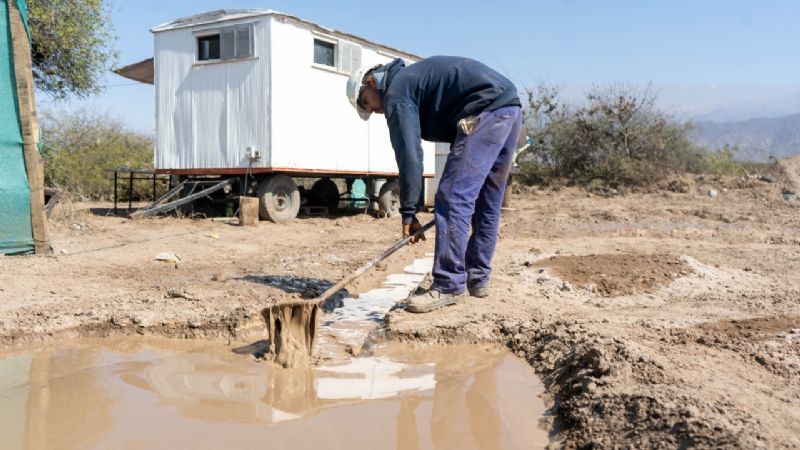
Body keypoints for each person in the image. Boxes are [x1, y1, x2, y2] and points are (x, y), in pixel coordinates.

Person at [346, 56, 522, 313]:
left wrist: (408, 212)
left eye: (366, 103)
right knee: (487, 200)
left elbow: (409, 154)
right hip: (508, 110)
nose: (373, 110)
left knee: (452, 197)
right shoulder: (414, 80)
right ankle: (476, 278)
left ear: (370, 82)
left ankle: (449, 283)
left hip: (486, 111)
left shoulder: (397, 91)